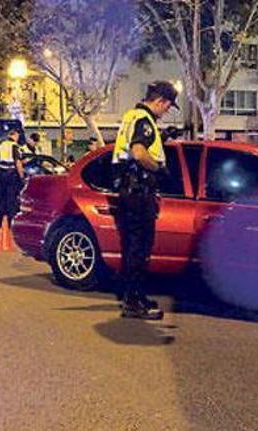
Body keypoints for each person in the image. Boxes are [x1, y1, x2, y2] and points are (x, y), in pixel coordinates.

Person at [111, 81, 179, 320]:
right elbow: (139, 152)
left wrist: (163, 137)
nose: (166, 112)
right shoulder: (144, 120)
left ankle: (135, 296)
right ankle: (133, 303)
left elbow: (132, 149)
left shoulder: (132, 115)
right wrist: (158, 169)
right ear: (160, 101)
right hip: (139, 192)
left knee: (133, 247)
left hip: (128, 192)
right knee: (139, 249)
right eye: (167, 107)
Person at [0, 128, 25, 237]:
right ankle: (12, 225)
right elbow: (17, 162)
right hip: (11, 174)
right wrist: (21, 176)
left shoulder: (2, 145)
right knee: (11, 199)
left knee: (2, 199)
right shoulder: (14, 146)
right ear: (15, 135)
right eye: (18, 135)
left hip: (1, 173)